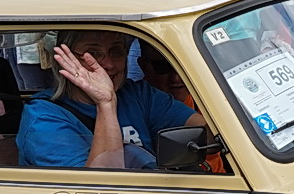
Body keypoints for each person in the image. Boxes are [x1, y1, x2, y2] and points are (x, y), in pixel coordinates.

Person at [17, 28, 203, 169]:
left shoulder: (137, 94)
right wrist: (105, 103)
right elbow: (99, 193)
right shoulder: (44, 118)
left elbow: (204, 131)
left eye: (116, 51)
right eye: (93, 54)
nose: (109, 64)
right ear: (65, 59)